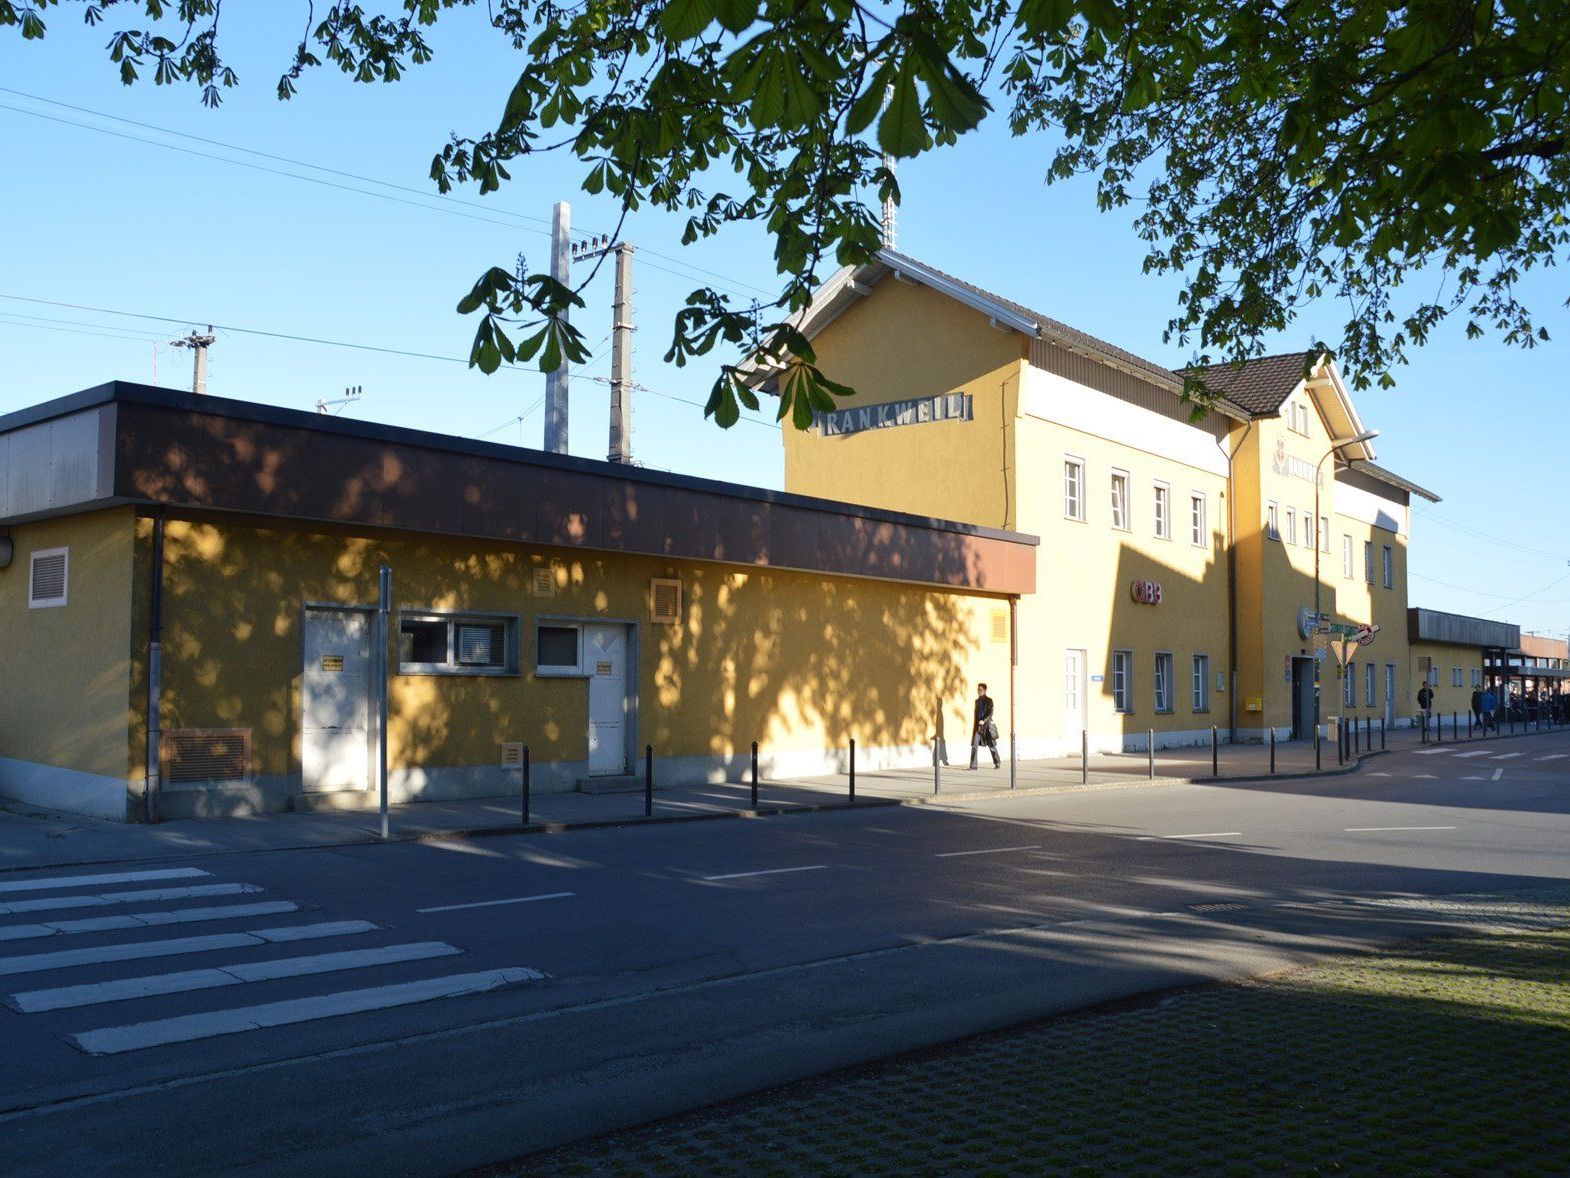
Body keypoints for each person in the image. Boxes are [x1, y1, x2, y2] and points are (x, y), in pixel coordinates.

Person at [969, 682, 1000, 770]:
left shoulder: (989, 700)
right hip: (978, 726)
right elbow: (976, 715)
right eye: (978, 689)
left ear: (985, 690)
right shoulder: (977, 701)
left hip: (987, 726)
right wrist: (976, 725)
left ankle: (997, 762)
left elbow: (990, 713)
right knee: (974, 745)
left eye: (980, 689)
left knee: (991, 745)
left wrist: (984, 720)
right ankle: (973, 765)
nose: (978, 691)